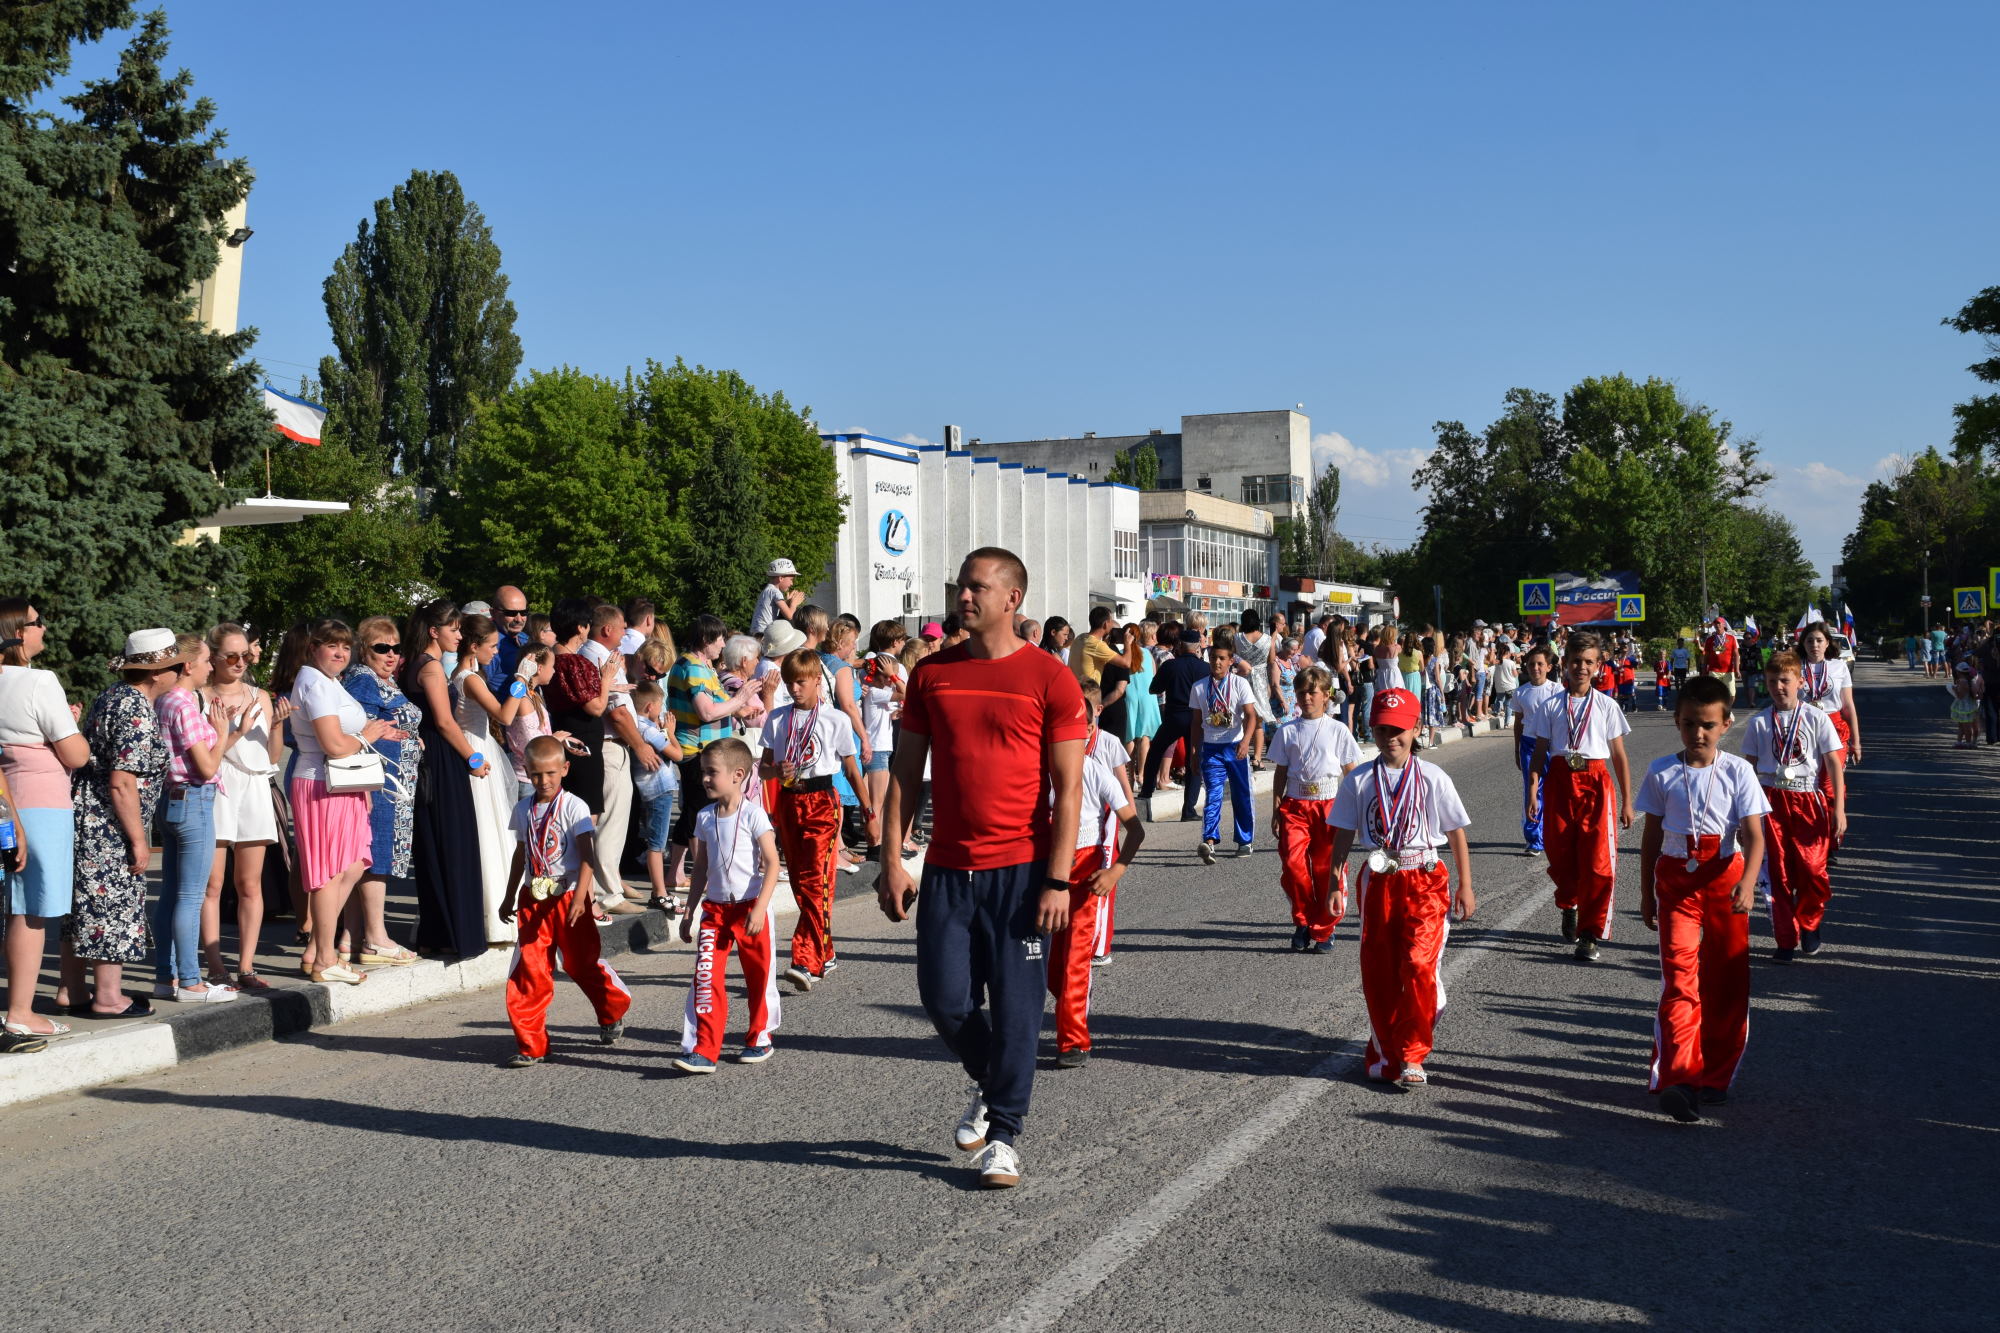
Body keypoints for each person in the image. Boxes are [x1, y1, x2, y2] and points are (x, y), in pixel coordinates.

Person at [877, 547, 1086, 1189]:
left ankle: (1005, 1134)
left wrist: (1056, 880)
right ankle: (995, 1081)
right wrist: (893, 859)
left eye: (977, 587)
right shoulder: (933, 676)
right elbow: (905, 774)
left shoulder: (1051, 678)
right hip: (946, 869)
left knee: (1019, 1011)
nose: (964, 596)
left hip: (1021, 871)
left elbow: (1069, 788)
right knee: (943, 1001)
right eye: (960, 586)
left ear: (1011, 599)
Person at [1634, 674, 1768, 1122]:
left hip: (1725, 879)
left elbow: (1753, 836)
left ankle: (1715, 1076)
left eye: (1708, 724)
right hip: (1677, 882)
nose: (1698, 733)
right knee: (1680, 980)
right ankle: (1680, 1079)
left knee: (1726, 984)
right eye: (1690, 723)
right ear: (1677, 721)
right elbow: (1651, 838)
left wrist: (1748, 884)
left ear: (1726, 724)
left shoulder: (1738, 771)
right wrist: (1647, 893)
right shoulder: (1661, 771)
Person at [1326, 687, 1475, 1088]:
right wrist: (1334, 881)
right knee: (1381, 969)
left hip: (1424, 878)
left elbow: (1455, 830)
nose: (1390, 736)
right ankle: (1387, 1050)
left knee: (1419, 964)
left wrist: (1466, 884)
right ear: (1371, 730)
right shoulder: (1358, 779)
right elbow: (1342, 833)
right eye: (1381, 728)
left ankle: (1412, 1053)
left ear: (1415, 729)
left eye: (1398, 728)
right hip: (1377, 881)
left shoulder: (1431, 776)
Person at [60, 629, 190, 1018]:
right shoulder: (135, 708)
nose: (182, 672)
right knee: (113, 905)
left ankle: (73, 990)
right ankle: (108, 997)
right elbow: (122, 782)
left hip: (86, 816)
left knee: (82, 907)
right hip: (108, 823)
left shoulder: (112, 695)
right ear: (156, 672)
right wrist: (138, 839)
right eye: (177, 666)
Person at [497, 735, 632, 1068]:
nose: (543, 781)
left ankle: (612, 1009)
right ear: (526, 771)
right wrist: (510, 893)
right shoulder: (523, 808)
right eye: (536, 774)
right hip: (533, 898)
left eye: (550, 774)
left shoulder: (574, 807)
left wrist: (581, 897)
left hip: (568, 895)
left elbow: (588, 856)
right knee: (529, 968)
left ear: (564, 769)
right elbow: (521, 853)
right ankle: (532, 1044)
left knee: (580, 963)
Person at [283, 620, 401, 984]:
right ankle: (324, 958)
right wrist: (369, 734)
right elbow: (334, 744)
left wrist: (376, 733)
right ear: (313, 647)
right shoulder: (313, 682)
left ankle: (318, 952)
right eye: (332, 646)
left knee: (351, 866)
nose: (340, 653)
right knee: (327, 873)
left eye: (346, 647)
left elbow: (349, 736)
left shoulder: (330, 682)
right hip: (321, 781)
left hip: (345, 782)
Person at [0, 599, 89, 1040]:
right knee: (30, 911)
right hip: (39, 805)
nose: (44, 629)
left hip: (6, 798)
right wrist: (70, 734)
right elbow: (76, 753)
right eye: (36, 623)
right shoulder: (38, 681)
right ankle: (20, 1010)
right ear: (17, 631)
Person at [668, 736, 783, 1073]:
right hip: (714, 912)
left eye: (711, 772)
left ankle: (759, 1037)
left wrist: (760, 908)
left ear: (738, 774)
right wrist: (690, 910)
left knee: (759, 977)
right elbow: (700, 867)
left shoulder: (754, 815)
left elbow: (773, 863)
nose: (704, 778)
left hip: (750, 908)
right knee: (707, 978)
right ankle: (704, 1049)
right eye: (703, 771)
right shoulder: (704, 817)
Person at [151, 633, 254, 1003]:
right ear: (189, 665)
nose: (212, 667)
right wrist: (224, 728)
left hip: (169, 800)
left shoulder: (164, 700)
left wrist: (231, 731)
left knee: (170, 894)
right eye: (208, 660)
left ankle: (167, 977)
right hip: (193, 799)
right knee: (191, 897)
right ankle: (192, 981)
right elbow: (208, 764)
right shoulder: (183, 703)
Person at [1046, 682, 1142, 1069]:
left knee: (1073, 962)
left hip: (1085, 872)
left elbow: (1135, 829)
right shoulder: (1038, 769)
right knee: (1049, 969)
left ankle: (1073, 1041)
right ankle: (1072, 1004)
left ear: (1089, 731)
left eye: (1079, 727)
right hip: (1044, 871)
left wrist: (1115, 870)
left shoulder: (1095, 771)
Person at [1524, 633, 1635, 962]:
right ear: (1565, 664)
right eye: (1576, 661)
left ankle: (1590, 933)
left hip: (1596, 783)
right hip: (1559, 782)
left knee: (1599, 862)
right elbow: (1539, 753)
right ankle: (1569, 901)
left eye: (1589, 662)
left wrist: (1627, 800)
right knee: (1560, 855)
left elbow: (1619, 757)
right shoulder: (1551, 706)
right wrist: (1533, 791)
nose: (1581, 668)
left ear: (1599, 666)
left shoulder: (1607, 706)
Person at [761, 649, 866, 993]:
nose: (794, 689)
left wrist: (869, 809)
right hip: (789, 801)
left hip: (822, 802)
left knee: (814, 881)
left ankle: (805, 959)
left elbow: (850, 767)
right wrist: (776, 770)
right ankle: (827, 952)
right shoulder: (778, 719)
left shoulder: (834, 719)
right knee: (802, 884)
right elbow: (763, 767)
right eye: (790, 682)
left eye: (801, 682)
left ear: (817, 680)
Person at [1741, 652, 1845, 963]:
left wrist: (1838, 808)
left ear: (1800, 682)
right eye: (1772, 682)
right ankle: (1786, 938)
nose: (1778, 687)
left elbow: (1833, 766)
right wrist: (1742, 814)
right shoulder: (1759, 722)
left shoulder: (1816, 718)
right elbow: (1748, 770)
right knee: (1778, 872)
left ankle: (1810, 922)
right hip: (1771, 801)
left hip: (1807, 800)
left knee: (1813, 870)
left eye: (1785, 680)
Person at [403, 601, 493, 957]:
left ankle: (440, 932)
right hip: (441, 760)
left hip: (435, 757)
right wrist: (472, 756)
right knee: (451, 844)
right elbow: (443, 721)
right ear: (433, 631)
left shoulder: (419, 665)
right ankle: (453, 934)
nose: (459, 635)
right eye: (454, 629)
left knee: (437, 845)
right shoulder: (429, 669)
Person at [338, 620, 422, 969]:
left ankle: (350, 938)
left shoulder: (383, 680)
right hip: (383, 782)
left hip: (395, 781)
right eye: (381, 648)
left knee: (372, 857)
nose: (391, 655)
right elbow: (361, 726)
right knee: (377, 856)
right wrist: (400, 733)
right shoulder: (362, 678)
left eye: (396, 648)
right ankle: (375, 936)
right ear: (363, 650)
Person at [1266, 665, 1361, 953]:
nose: (1306, 697)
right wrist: (1276, 807)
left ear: (1326, 695)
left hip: (1329, 805)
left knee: (1325, 868)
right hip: (1295, 805)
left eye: (1312, 692)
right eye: (1300, 692)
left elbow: (1351, 772)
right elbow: (1281, 772)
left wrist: (1354, 809)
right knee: (1294, 865)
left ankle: (1324, 928)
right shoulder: (1287, 730)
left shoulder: (1337, 729)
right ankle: (1303, 920)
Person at [668, 614, 765, 891]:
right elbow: (706, 711)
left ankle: (675, 873)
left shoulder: (703, 666)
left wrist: (740, 708)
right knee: (699, 813)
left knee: (692, 812)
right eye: (720, 639)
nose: (723, 645)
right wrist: (740, 699)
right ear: (706, 639)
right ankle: (705, 874)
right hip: (698, 750)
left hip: (706, 749)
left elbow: (718, 702)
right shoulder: (694, 667)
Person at [456, 612, 536, 943]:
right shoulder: (468, 678)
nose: (494, 652)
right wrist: (520, 680)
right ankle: (493, 915)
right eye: (490, 646)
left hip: (482, 742)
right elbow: (504, 714)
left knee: (496, 825)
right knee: (489, 828)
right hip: (476, 745)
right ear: (474, 647)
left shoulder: (470, 674)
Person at [543, 599, 627, 915]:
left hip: (570, 743)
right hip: (584, 748)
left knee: (573, 822)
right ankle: (586, 899)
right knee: (583, 825)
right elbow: (595, 706)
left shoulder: (555, 661)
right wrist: (607, 677)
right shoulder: (575, 663)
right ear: (581, 627)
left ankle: (583, 895)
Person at [580, 602, 659, 909]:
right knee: (610, 821)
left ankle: (611, 882)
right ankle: (607, 892)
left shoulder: (598, 655)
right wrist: (640, 745)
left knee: (614, 820)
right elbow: (618, 712)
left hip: (613, 745)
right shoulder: (600, 656)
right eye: (623, 625)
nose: (627, 630)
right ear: (608, 630)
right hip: (612, 745)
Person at [1195, 639, 1258, 864]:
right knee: (1213, 794)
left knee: (1241, 794)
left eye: (1222, 658)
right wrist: (1196, 751)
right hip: (1211, 748)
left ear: (1231, 661)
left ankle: (1244, 840)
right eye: (1213, 658)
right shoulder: (1200, 686)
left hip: (1235, 746)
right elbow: (1195, 723)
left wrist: (1246, 742)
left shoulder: (1240, 684)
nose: (1217, 662)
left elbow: (1251, 716)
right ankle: (1209, 842)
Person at [1140, 623, 1208, 820]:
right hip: (1197, 718)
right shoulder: (1205, 668)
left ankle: (1147, 791)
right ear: (1197, 648)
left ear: (1179, 645)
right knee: (1194, 760)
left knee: (1156, 751)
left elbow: (1154, 689)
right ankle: (1189, 810)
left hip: (1174, 716)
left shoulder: (1170, 665)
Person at [627, 680, 684, 914]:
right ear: (650, 706)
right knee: (657, 844)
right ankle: (659, 892)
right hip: (660, 790)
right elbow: (678, 755)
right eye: (659, 706)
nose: (661, 711)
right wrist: (670, 733)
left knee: (656, 841)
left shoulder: (637, 727)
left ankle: (659, 890)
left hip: (649, 791)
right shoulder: (649, 731)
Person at [858, 620, 908, 854]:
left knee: (877, 798)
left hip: (880, 745)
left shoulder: (879, 692)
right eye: (891, 674)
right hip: (876, 747)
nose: (894, 677)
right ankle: (873, 846)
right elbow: (907, 693)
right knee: (876, 801)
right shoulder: (877, 692)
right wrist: (895, 677)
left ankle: (874, 842)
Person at [1511, 646, 1564, 858]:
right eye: (1532, 664)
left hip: (1553, 746)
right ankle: (1534, 839)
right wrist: (1516, 749)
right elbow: (1518, 723)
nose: (1535, 668)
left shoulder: (1557, 690)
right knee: (1532, 791)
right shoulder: (1521, 692)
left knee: (1555, 790)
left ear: (1549, 667)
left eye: (1540, 664)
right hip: (1529, 745)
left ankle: (1555, 832)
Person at [1233, 609, 1277, 769]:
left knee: (1241, 719)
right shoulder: (1267, 639)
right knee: (1258, 723)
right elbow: (1272, 661)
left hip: (1241, 678)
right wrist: (1272, 684)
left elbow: (1233, 656)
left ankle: (1240, 754)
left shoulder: (1237, 638)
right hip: (1260, 681)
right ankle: (1257, 758)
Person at [483, 585, 532, 692]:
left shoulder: (525, 638)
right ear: (493, 613)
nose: (519, 619)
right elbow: (477, 690)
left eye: (524, 612)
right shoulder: (488, 646)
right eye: (511, 613)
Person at [750, 558, 805, 635]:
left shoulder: (768, 590)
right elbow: (789, 616)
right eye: (791, 579)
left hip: (757, 632)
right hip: (764, 634)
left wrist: (787, 603)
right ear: (781, 578)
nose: (792, 583)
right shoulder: (776, 592)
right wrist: (793, 604)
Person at [1070, 606, 1118, 686]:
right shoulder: (1097, 645)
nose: (1112, 623)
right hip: (1089, 693)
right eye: (1111, 621)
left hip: (1076, 688)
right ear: (1106, 624)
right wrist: (1128, 642)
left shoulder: (1081, 637)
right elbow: (1125, 662)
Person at [1700, 622, 1739, 703]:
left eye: (1719, 623)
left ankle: (1727, 709)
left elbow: (1736, 655)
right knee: (1714, 694)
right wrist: (1704, 670)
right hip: (1714, 670)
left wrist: (1737, 669)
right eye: (1715, 624)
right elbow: (1706, 656)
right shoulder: (1710, 639)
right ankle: (1719, 711)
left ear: (1723, 625)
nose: (1717, 625)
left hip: (1729, 670)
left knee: (1731, 695)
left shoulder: (1731, 638)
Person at [1950, 664, 1982, 746]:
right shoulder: (1972, 680)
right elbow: (1977, 695)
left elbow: (1960, 696)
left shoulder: (1962, 682)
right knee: (1972, 724)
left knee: (1964, 725)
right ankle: (1970, 741)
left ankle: (1967, 742)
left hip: (1963, 707)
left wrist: (1954, 689)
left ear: (1958, 672)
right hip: (1972, 705)